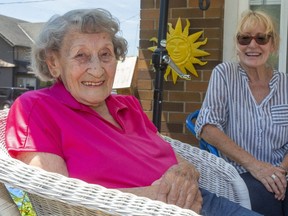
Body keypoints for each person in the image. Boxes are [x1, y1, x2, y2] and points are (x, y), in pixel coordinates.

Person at [5, 8, 261, 216]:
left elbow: (168, 154)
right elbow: (57, 193)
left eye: (105, 55)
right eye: (81, 56)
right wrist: (158, 198)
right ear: (53, 63)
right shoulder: (37, 107)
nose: (97, 69)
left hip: (200, 200)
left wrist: (186, 173)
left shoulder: (127, 104)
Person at [195, 10, 288, 216]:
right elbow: (208, 128)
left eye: (261, 38)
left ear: (272, 45)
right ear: (237, 46)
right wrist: (257, 167)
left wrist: (280, 171)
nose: (252, 45)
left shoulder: (285, 84)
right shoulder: (224, 74)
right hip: (240, 172)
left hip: (282, 170)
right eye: (244, 38)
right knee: (266, 196)